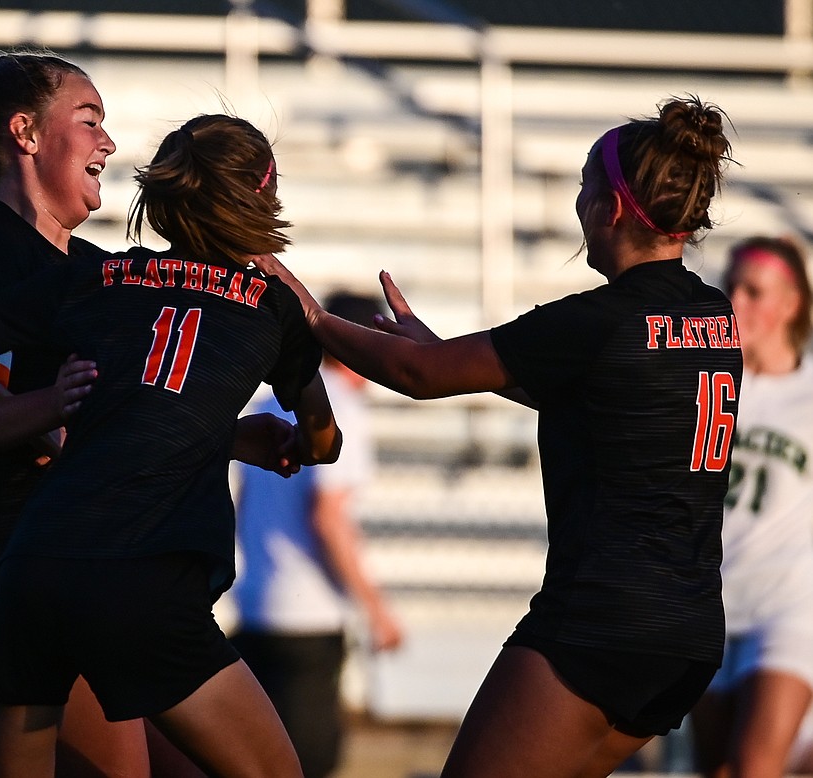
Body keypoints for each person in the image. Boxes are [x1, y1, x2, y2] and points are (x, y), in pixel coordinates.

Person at [257, 96, 740, 778]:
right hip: (687, 634)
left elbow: (414, 375)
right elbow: (598, 394)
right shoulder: (713, 313)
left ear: (613, 209)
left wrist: (304, 311)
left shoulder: (596, 320)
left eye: (584, 187)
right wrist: (449, 353)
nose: (577, 203)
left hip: (600, 620)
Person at [0, 113, 341, 778]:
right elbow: (321, 441)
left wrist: (45, 413)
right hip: (141, 575)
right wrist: (285, 290)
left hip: (30, 567)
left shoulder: (100, 277)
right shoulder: (270, 306)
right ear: (262, 192)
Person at [231, 291, 404, 778]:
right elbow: (328, 515)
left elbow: (246, 498)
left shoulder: (273, 398)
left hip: (257, 603)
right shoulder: (341, 406)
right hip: (308, 618)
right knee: (307, 761)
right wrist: (376, 610)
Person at [688, 235, 813, 778]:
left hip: (787, 609)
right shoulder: (705, 382)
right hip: (710, 607)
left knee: (754, 767)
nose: (736, 302)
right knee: (717, 770)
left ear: (791, 304)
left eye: (755, 291)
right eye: (731, 287)